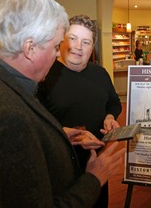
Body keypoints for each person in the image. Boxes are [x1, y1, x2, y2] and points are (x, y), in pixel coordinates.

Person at [0, 0, 125, 207]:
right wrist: (94, 178)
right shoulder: (4, 117)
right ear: (30, 48)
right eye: (57, 46)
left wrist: (56, 134)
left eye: (85, 42)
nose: (59, 53)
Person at [37, 14, 122, 208]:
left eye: (86, 42)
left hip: (97, 164)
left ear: (92, 48)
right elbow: (37, 124)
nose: (78, 46)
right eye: (73, 38)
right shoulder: (44, 75)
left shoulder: (100, 73)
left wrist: (110, 116)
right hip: (61, 168)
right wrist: (75, 136)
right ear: (62, 40)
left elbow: (114, 102)